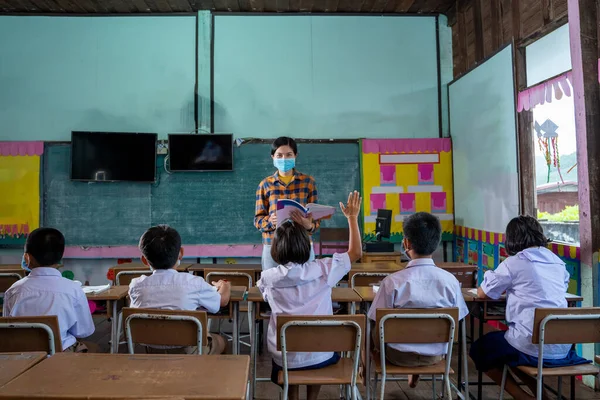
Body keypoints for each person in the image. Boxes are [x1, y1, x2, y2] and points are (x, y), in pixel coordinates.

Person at [257, 191, 362, 400]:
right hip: (321, 353)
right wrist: (351, 218)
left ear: (276, 249)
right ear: (306, 246)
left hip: (285, 357)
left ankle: (292, 395)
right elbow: (356, 253)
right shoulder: (324, 269)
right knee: (316, 353)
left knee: (292, 359)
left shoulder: (268, 278)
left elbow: (267, 296)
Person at [470, 215, 589, 400]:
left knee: (481, 349)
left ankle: (522, 397)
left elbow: (482, 294)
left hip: (530, 345)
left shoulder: (514, 262)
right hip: (562, 348)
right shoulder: (557, 262)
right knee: (514, 351)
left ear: (511, 239)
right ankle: (541, 396)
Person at [368, 212, 469, 388]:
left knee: (367, 324)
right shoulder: (450, 282)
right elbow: (459, 319)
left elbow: (376, 319)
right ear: (436, 243)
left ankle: (362, 375)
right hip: (436, 355)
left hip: (396, 355)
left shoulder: (392, 282)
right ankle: (415, 374)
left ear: (406, 243)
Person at [128, 225, 230, 354]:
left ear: (144, 260)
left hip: (149, 350)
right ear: (180, 253)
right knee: (222, 342)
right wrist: (225, 285)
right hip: (188, 351)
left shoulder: (136, 285)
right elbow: (223, 301)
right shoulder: (193, 283)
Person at [3, 227, 95, 352]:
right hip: (61, 356)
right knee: (94, 347)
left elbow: (8, 329)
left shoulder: (14, 291)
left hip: (23, 356)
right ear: (60, 257)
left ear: (27, 258)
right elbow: (83, 331)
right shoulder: (73, 289)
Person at [254, 137, 321, 271]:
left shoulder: (308, 182)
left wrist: (309, 225)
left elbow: (316, 219)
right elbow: (258, 220)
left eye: (289, 155)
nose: (284, 159)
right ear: (273, 157)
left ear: (295, 155)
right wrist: (270, 221)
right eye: (279, 155)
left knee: (305, 285)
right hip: (273, 244)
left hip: (301, 244)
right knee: (273, 288)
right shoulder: (265, 185)